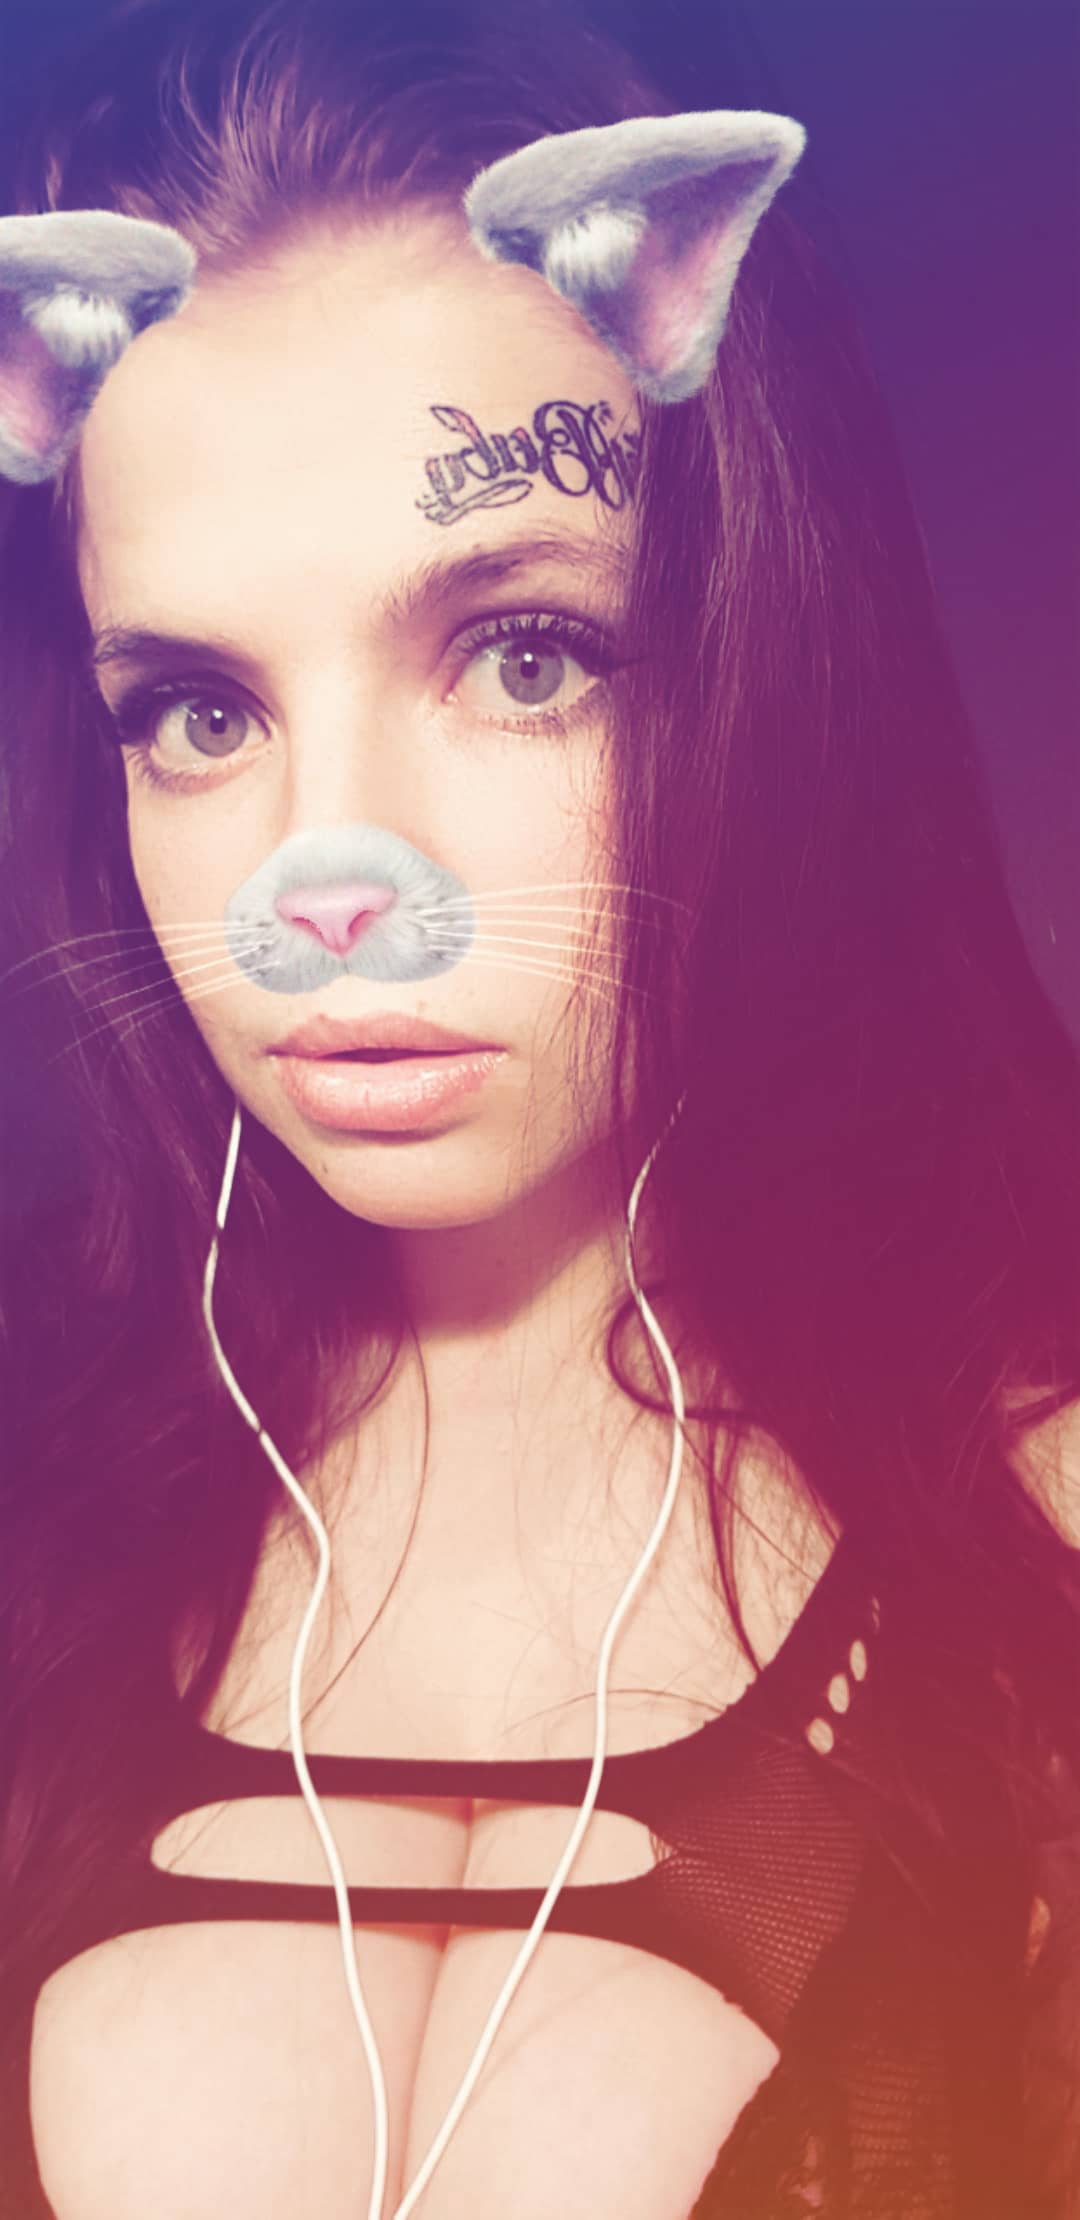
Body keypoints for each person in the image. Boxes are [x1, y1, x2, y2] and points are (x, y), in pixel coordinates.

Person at [1, 0, 1078, 2214]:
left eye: (523, 657)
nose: (326, 882)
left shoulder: (1037, 1530)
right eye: (198, 709)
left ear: (767, 652)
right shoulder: (40, 1506)